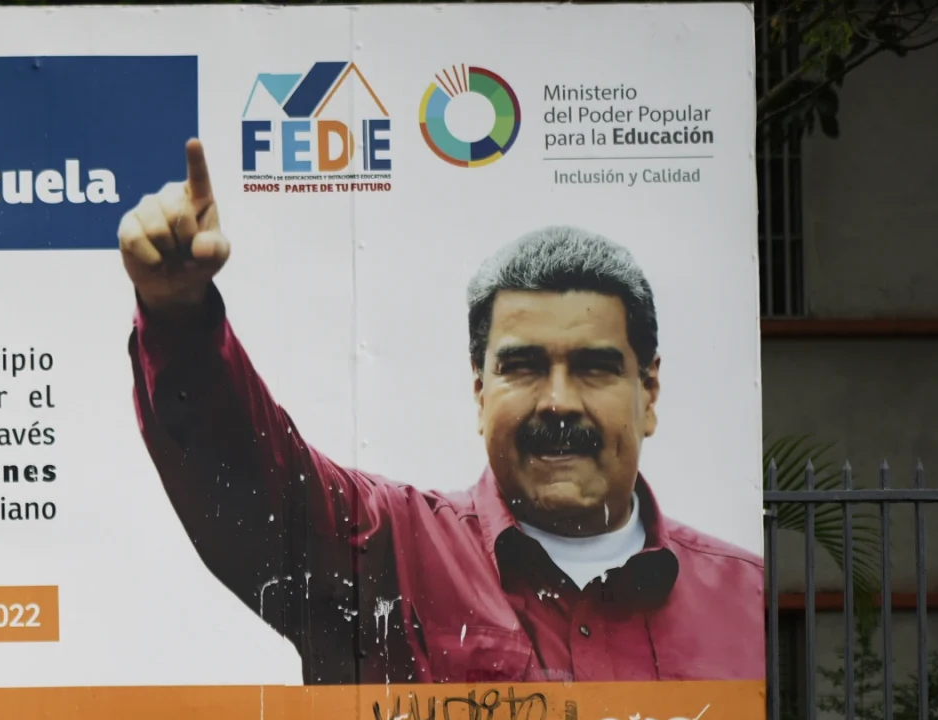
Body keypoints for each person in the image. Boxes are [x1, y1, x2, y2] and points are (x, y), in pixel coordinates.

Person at [118, 137, 761, 686]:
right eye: (523, 366)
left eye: (595, 367)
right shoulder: (387, 556)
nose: (559, 401)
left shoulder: (748, 601)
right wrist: (178, 317)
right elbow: (254, 485)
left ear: (649, 393)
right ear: (480, 393)